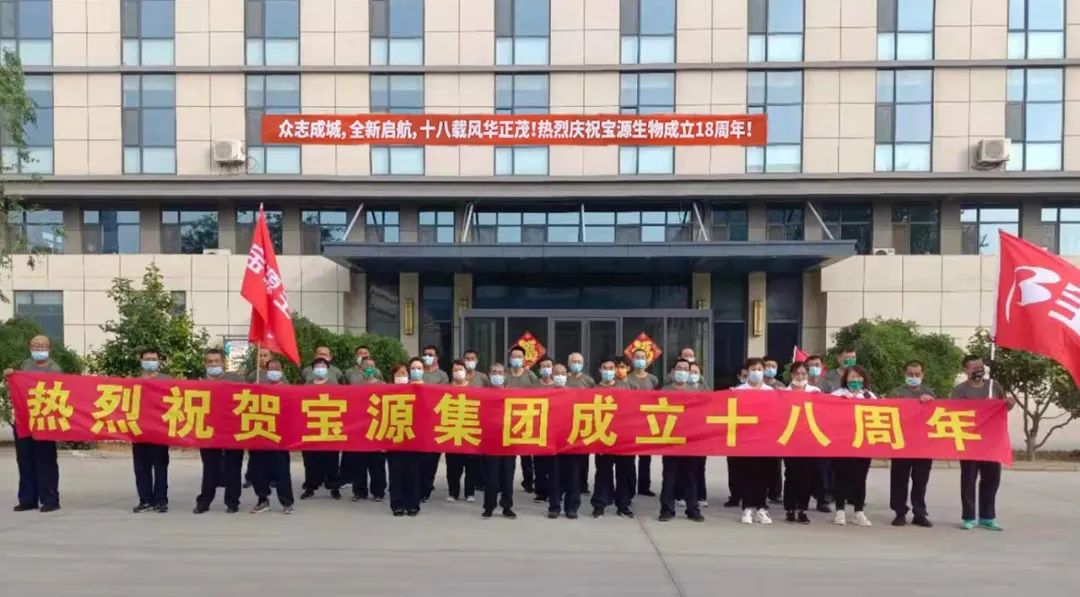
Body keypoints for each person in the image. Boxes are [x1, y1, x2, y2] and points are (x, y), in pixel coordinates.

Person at [953, 355, 1015, 531]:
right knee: (968, 480)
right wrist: (980, 407)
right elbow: (955, 412)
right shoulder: (959, 390)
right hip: (970, 442)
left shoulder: (994, 386)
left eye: (980, 366)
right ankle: (969, 517)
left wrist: (1009, 403)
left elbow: (1005, 406)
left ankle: (987, 517)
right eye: (974, 368)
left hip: (992, 442)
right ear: (966, 370)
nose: (978, 370)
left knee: (991, 480)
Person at [8, 335, 63, 513]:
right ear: (30, 347)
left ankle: (50, 500)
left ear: (49, 348)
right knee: (25, 460)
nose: (39, 348)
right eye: (36, 345)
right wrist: (10, 376)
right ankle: (28, 499)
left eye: (43, 345)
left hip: (45, 421)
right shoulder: (25, 365)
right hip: (24, 420)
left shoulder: (54, 369)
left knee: (45, 461)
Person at [194, 348, 246, 514]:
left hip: (233, 430)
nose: (213, 364)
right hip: (209, 432)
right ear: (205, 364)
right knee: (210, 468)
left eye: (217, 361)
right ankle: (204, 502)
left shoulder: (236, 379)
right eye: (210, 362)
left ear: (223, 363)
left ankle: (232, 502)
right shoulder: (199, 384)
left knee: (234, 467)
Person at [888, 360, 936, 528]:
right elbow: (890, 413)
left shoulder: (929, 392)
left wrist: (930, 402)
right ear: (905, 374)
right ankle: (899, 512)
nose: (914, 377)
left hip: (923, 444)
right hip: (902, 442)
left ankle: (919, 512)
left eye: (917, 374)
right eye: (910, 374)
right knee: (899, 479)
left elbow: (936, 416)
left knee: (921, 480)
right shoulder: (896, 392)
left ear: (923, 375)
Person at [658, 358, 705, 522]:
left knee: (691, 477)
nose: (682, 372)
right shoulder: (664, 391)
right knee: (669, 477)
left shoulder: (697, 392)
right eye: (679, 368)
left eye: (686, 369)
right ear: (673, 371)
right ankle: (667, 510)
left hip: (691, 441)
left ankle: (692, 509)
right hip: (670, 440)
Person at [830, 365, 877, 527]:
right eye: (852, 377)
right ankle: (840, 511)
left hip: (863, 444)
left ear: (863, 379)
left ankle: (859, 512)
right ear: (846, 379)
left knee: (860, 477)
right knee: (841, 477)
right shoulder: (837, 395)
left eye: (858, 377)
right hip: (841, 443)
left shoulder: (869, 396)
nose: (855, 380)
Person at [732, 358, 775, 525]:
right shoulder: (738, 390)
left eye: (759, 369)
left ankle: (761, 508)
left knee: (763, 476)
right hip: (746, 439)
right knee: (747, 475)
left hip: (765, 440)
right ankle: (747, 508)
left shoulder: (770, 391)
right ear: (746, 371)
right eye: (753, 369)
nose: (756, 372)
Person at [250, 358, 295, 514]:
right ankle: (262, 500)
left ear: (282, 371)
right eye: (271, 369)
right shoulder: (258, 387)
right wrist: (253, 391)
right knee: (258, 470)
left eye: (277, 368)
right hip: (260, 434)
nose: (274, 371)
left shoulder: (288, 389)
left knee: (282, 471)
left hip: (280, 437)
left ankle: (287, 502)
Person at [591, 357, 635, 518]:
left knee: (624, 472)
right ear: (600, 370)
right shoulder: (594, 389)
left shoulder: (626, 387)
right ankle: (600, 504)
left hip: (623, 437)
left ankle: (623, 505)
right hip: (602, 436)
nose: (608, 371)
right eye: (605, 368)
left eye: (611, 368)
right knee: (603, 472)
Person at [132, 348, 171, 513]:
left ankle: (161, 501)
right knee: (142, 469)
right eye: (147, 359)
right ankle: (145, 500)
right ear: (141, 361)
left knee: (160, 468)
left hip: (160, 432)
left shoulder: (167, 380)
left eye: (154, 359)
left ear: (159, 361)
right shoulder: (133, 383)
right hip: (139, 431)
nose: (151, 362)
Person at [342, 355, 386, 503]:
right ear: (360, 368)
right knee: (359, 463)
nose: (369, 369)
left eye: (372, 366)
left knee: (377, 464)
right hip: (359, 429)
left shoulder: (383, 386)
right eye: (366, 366)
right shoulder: (355, 386)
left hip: (376, 427)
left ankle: (378, 492)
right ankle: (359, 491)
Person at [782, 361, 821, 524]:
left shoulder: (815, 392)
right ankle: (790, 508)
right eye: (797, 373)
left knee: (807, 476)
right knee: (791, 474)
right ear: (791, 375)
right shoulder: (783, 393)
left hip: (810, 439)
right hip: (790, 438)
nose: (800, 376)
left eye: (803, 373)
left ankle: (803, 509)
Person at [299, 357, 343, 501]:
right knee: (311, 461)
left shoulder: (334, 385)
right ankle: (310, 487)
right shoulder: (306, 386)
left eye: (323, 366)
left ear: (328, 369)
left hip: (330, 426)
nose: (320, 368)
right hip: (312, 427)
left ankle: (334, 487)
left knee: (331, 460)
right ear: (313, 370)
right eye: (318, 366)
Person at [547, 362, 583, 519]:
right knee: (554, 476)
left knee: (573, 476)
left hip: (571, 441)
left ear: (567, 375)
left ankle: (572, 507)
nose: (560, 376)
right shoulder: (545, 395)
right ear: (551, 375)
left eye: (562, 373)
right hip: (553, 442)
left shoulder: (574, 394)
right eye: (557, 373)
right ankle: (554, 506)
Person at [386, 362, 423, 516]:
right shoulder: (386, 392)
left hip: (412, 437)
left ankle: (413, 504)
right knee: (395, 473)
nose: (401, 376)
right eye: (398, 374)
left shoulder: (416, 390)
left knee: (413, 473)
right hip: (393, 437)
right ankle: (397, 504)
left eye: (403, 373)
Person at [483, 361, 517, 519]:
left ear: (505, 375)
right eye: (494, 372)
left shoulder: (512, 393)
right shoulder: (483, 394)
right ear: (489, 375)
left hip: (509, 441)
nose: (497, 375)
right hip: (490, 441)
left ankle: (507, 506)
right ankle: (489, 506)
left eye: (500, 372)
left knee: (507, 477)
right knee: (491, 477)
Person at [445, 360, 481, 503]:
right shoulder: (446, 389)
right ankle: (453, 492)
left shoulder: (474, 389)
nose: (457, 372)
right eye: (455, 370)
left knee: (471, 466)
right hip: (452, 431)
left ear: (466, 372)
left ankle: (469, 492)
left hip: (470, 430)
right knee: (453, 466)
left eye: (460, 369)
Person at [505, 345, 538, 495]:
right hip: (508, 419)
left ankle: (528, 482)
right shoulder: (505, 375)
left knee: (526, 455)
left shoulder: (530, 375)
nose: (517, 359)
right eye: (514, 356)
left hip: (526, 418)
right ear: (510, 358)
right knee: (508, 455)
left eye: (519, 356)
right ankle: (505, 482)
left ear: (524, 359)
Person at [627, 348, 659, 497]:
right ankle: (630, 486)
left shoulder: (653, 379)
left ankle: (644, 486)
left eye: (642, 357)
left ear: (647, 361)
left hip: (648, 420)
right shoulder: (627, 378)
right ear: (632, 360)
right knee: (630, 457)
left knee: (646, 456)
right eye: (637, 357)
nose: (640, 360)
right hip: (632, 420)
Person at [419, 345, 448, 502]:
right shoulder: (417, 372)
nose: (427, 357)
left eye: (431, 354)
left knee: (431, 458)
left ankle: (427, 486)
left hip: (435, 421)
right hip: (418, 421)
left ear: (436, 358)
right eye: (425, 354)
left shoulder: (442, 375)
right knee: (419, 458)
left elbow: (442, 395)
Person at [565, 352, 594, 494]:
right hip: (566, 421)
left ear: (583, 364)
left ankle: (582, 484)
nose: (576, 364)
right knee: (567, 456)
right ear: (569, 363)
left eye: (579, 361)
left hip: (583, 421)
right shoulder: (563, 378)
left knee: (583, 456)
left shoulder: (589, 381)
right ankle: (567, 483)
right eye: (574, 361)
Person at [723, 367, 750, 509]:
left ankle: (752, 498)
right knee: (734, 468)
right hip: (736, 435)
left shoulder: (765, 391)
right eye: (744, 375)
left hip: (754, 437)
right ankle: (735, 496)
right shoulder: (735, 391)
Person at [531, 356, 555, 502]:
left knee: (554, 463)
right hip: (538, 428)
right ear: (539, 369)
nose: (546, 369)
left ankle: (556, 490)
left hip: (555, 429)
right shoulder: (534, 386)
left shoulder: (558, 386)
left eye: (549, 366)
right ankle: (540, 491)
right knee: (539, 463)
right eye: (543, 366)